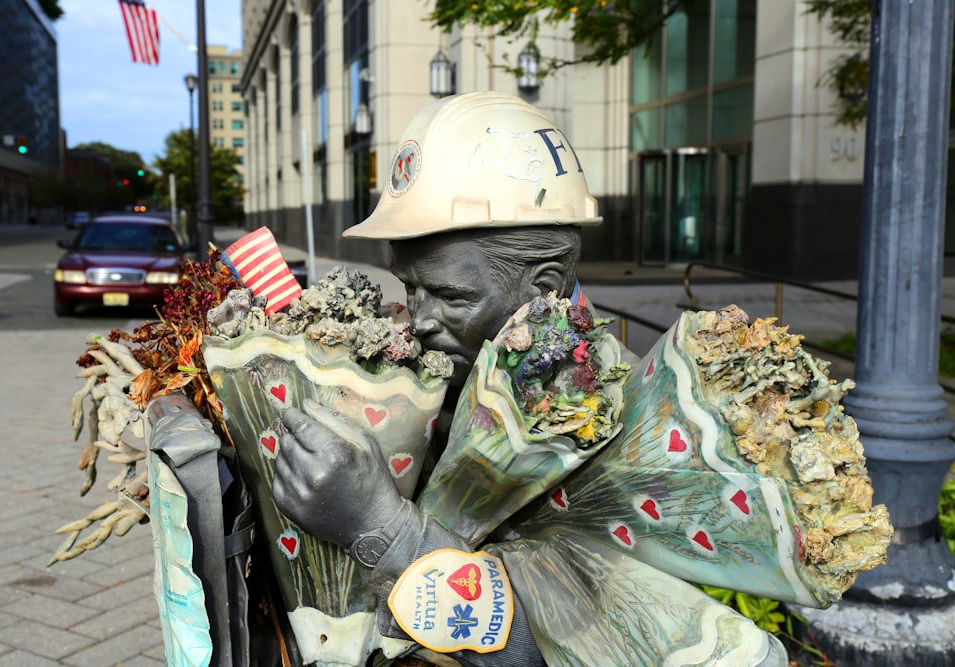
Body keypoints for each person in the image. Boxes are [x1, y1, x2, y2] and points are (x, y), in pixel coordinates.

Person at [269, 92, 788, 666]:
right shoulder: (447, 376)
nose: (418, 320)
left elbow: (571, 641)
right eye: (409, 287)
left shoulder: (634, 432)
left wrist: (377, 524)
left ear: (544, 286)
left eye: (449, 295)